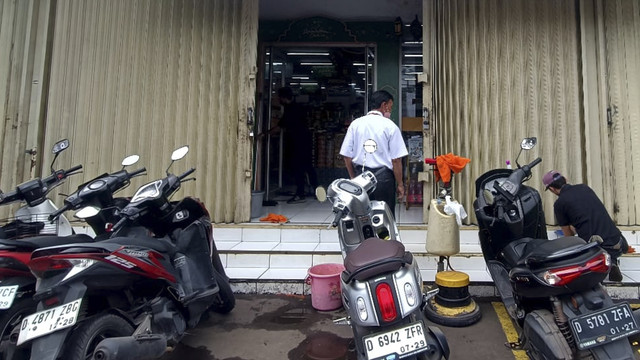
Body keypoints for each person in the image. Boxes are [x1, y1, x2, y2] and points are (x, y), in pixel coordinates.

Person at [543, 170, 628, 282]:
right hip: (618, 242)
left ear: (552, 189)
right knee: (603, 241)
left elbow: (569, 236)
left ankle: (601, 270)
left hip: (597, 247)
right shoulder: (584, 188)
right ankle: (612, 262)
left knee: (580, 252)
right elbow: (589, 214)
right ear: (565, 179)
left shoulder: (560, 204)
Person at [339, 90, 408, 217]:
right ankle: (383, 237)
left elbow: (346, 156)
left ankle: (367, 237)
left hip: (361, 178)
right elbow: (396, 160)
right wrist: (400, 184)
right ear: (384, 105)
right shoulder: (390, 126)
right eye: (390, 107)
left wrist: (353, 177)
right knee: (384, 218)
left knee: (363, 218)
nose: (390, 110)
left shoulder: (356, 124)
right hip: (384, 180)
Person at [274, 87, 318, 204]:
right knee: (308, 167)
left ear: (283, 98)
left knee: (299, 168)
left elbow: (280, 126)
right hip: (305, 141)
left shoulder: (290, 110)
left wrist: (264, 134)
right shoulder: (297, 108)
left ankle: (300, 194)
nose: (278, 99)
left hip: (298, 143)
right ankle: (317, 192)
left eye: (279, 97)